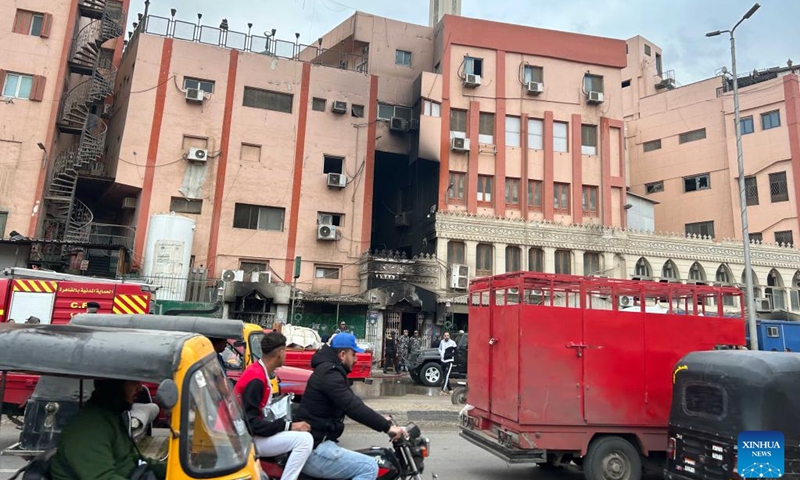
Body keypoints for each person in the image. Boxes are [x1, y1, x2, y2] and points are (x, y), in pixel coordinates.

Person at [297, 333, 406, 480]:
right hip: (314, 449)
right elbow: (352, 407)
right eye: (353, 354)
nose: (355, 359)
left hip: (319, 442)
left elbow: (353, 402)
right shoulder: (329, 373)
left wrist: (381, 419)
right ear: (342, 354)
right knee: (369, 467)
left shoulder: (331, 370)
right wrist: (387, 427)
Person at [50, 378, 167, 480]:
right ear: (113, 387)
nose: (140, 388)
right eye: (133, 382)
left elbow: (131, 458)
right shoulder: (90, 428)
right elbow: (102, 478)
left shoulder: (111, 416)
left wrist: (170, 469)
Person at [235, 331, 313, 480]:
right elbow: (251, 424)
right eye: (285, 352)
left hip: (248, 435)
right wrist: (289, 426)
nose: (286, 356)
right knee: (305, 440)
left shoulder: (258, 371)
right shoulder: (256, 379)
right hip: (246, 439)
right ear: (280, 352)